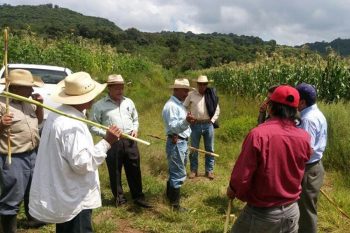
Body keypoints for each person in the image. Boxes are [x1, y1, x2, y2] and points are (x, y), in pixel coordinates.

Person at [29, 72, 122, 233]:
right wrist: (107, 142)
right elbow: (83, 163)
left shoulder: (58, 114)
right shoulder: (71, 124)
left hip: (64, 192)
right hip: (74, 197)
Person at [226, 85, 312, 233]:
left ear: (271, 108)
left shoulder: (258, 134)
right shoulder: (304, 137)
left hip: (262, 213)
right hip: (292, 210)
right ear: (295, 110)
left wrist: (233, 190)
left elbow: (242, 175)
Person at [89, 74, 150, 208]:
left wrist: (135, 128)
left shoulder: (129, 102)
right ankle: (119, 199)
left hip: (130, 140)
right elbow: (92, 126)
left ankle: (138, 197)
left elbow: (135, 118)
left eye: (122, 88)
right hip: (112, 142)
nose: (120, 91)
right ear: (109, 89)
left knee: (134, 169)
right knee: (115, 170)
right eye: (117, 88)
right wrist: (108, 135)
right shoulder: (99, 105)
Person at [0, 69, 45, 232]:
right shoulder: (1, 104)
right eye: (29, 87)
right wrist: (1, 124)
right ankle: (8, 228)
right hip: (13, 157)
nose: (32, 91)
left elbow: (37, 122)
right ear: (15, 87)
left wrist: (40, 106)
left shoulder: (27, 101)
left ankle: (33, 218)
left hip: (33, 153)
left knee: (32, 188)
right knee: (12, 195)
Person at [296, 83, 327, 233]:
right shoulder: (315, 113)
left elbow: (306, 150)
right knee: (306, 207)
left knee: (306, 211)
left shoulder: (308, 119)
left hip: (308, 169)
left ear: (302, 102)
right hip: (314, 167)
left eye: (295, 98)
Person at [162, 78, 195, 211]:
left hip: (181, 141)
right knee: (178, 173)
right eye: (184, 90)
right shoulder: (171, 106)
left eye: (187, 90)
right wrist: (187, 122)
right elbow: (174, 127)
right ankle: (175, 206)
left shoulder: (180, 104)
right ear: (175, 90)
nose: (186, 93)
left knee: (174, 171)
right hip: (177, 142)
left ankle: (169, 199)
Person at [183, 75, 220, 180]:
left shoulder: (211, 94)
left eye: (205, 84)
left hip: (208, 124)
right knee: (194, 148)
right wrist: (188, 116)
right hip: (195, 124)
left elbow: (217, 109)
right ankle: (194, 170)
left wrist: (212, 121)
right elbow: (184, 106)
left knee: (210, 148)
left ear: (207, 84)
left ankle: (209, 170)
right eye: (200, 84)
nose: (203, 86)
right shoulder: (191, 94)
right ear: (197, 84)